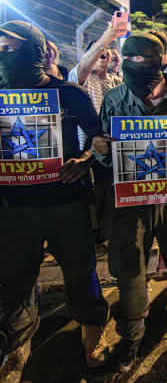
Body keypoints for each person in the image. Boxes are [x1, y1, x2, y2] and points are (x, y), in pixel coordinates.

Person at [91, 32, 167, 373]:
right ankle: (130, 336)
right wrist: (101, 152)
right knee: (130, 270)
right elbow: (107, 154)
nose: (137, 65)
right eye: (130, 59)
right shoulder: (115, 99)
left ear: (162, 61)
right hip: (130, 204)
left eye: (146, 59)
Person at [0, 21, 110, 374]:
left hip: (67, 206)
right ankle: (18, 345)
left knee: (81, 275)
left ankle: (92, 334)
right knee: (16, 282)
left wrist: (85, 160)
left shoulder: (70, 94)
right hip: (16, 210)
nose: (3, 54)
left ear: (36, 50)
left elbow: (100, 139)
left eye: (11, 48)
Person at [69, 20, 129, 242]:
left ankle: (106, 232)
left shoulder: (117, 82)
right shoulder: (81, 78)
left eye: (107, 51)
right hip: (87, 145)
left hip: (112, 145)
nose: (105, 52)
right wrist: (107, 37)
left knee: (107, 192)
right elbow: (83, 67)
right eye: (99, 51)